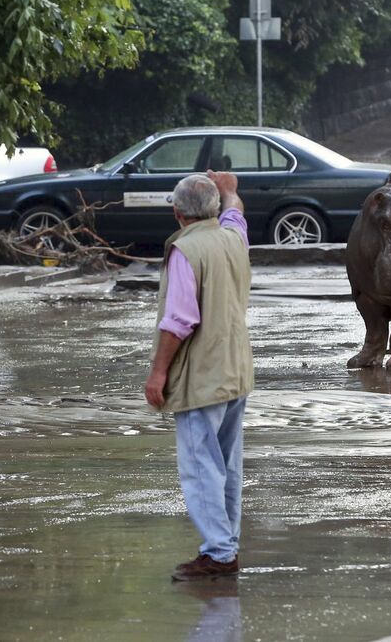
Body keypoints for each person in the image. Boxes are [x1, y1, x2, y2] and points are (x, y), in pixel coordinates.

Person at [144, 170, 253, 582]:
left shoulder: (185, 251)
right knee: (226, 464)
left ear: (176, 212)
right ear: (214, 209)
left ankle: (220, 554)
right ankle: (223, 546)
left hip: (202, 377)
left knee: (201, 465)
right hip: (235, 370)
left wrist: (158, 373)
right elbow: (236, 214)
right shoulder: (233, 237)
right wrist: (230, 192)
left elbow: (178, 322)